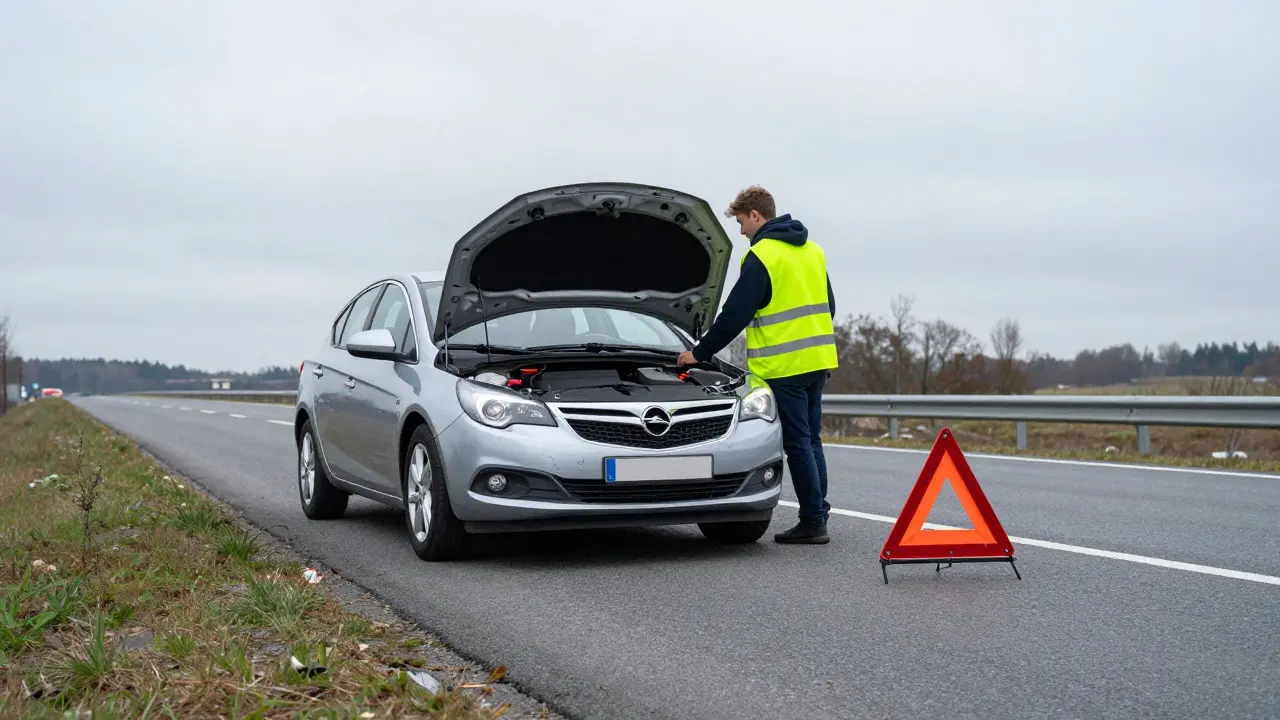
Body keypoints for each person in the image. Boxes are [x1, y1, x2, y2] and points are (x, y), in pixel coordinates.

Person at [677, 186, 839, 544]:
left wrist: (699, 353)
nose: (740, 231)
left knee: (797, 443)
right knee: (812, 440)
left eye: (740, 222)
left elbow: (735, 314)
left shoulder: (763, 256)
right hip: (818, 360)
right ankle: (819, 513)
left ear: (755, 215)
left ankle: (813, 522)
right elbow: (829, 306)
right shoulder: (813, 252)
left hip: (785, 365)